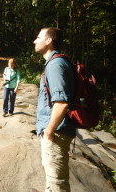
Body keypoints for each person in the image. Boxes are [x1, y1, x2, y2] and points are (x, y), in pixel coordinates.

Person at [34, 27, 76, 192]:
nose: (35, 41)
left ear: (48, 41)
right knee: (52, 182)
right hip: (56, 131)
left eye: (38, 37)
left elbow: (61, 103)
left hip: (56, 132)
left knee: (57, 183)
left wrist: (49, 130)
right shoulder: (56, 62)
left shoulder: (55, 64)